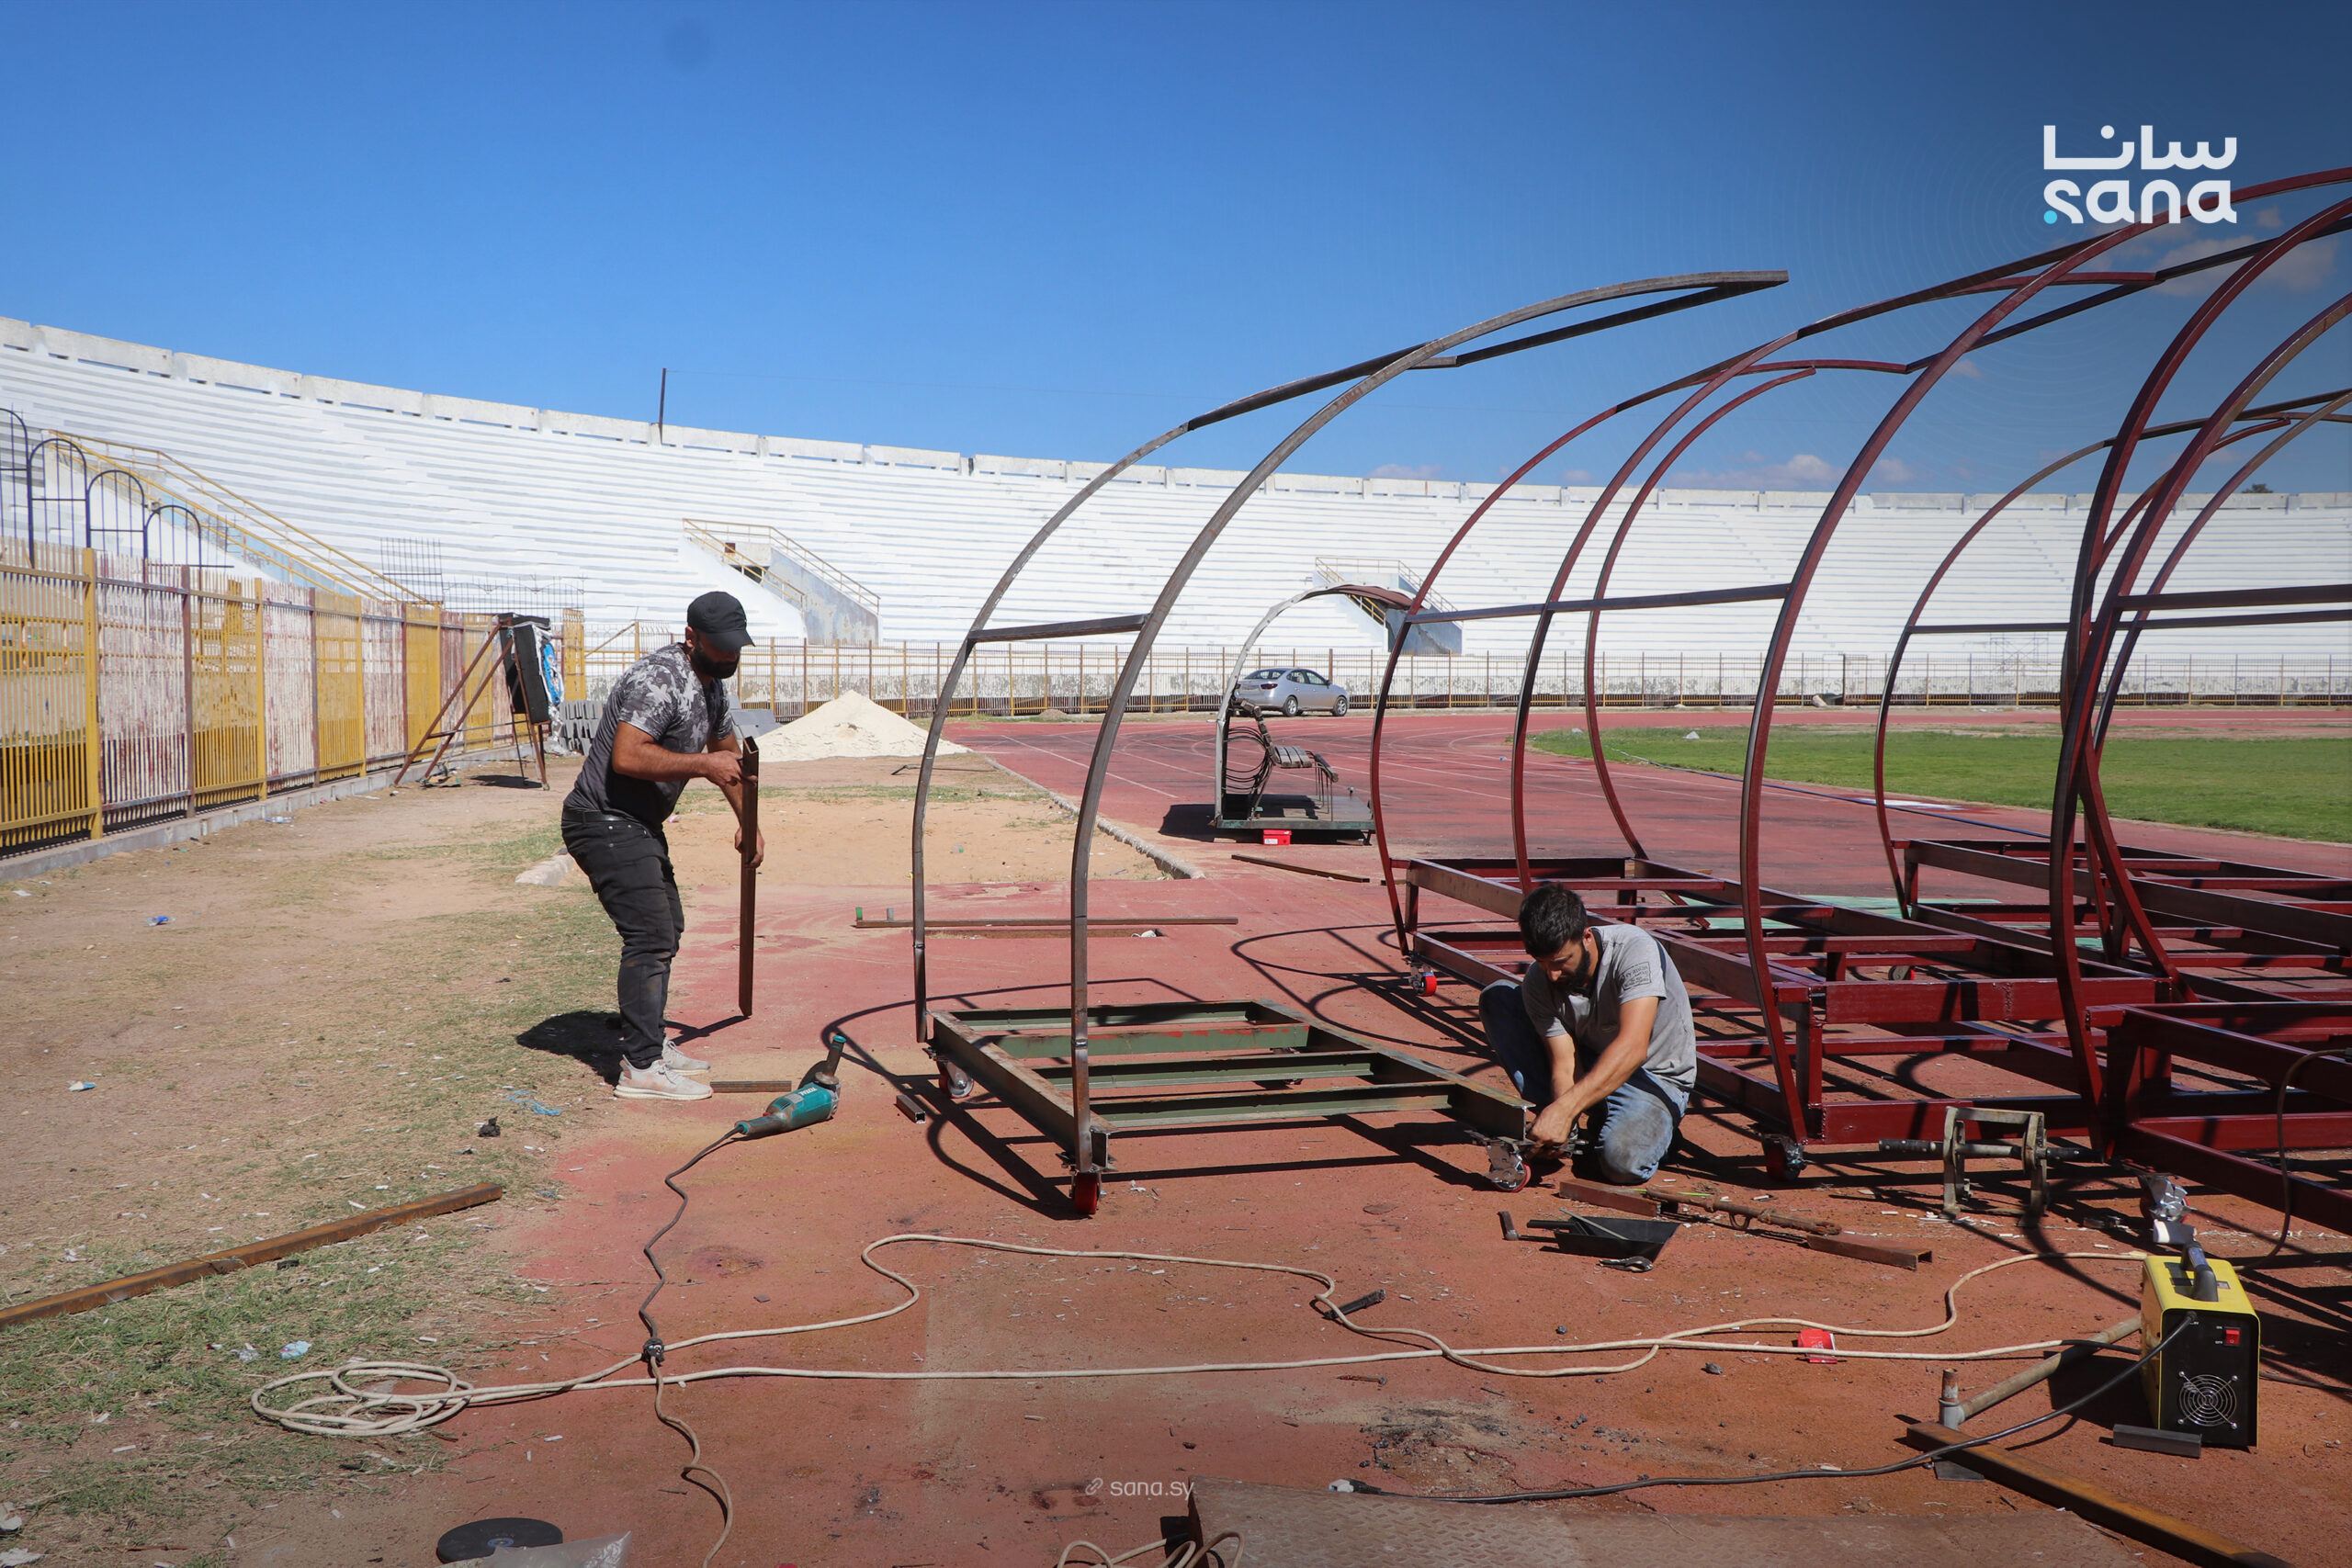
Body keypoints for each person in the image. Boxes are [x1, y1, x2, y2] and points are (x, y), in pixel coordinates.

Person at [561, 592, 766, 1102]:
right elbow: (628, 757)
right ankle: (641, 1068)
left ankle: (649, 1043)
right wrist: (701, 765)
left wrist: (750, 823)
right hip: (603, 819)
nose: (730, 655)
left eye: (736, 646)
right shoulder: (658, 679)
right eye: (720, 646)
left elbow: (728, 755)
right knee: (650, 935)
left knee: (666, 927)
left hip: (637, 823)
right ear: (692, 636)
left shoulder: (712, 686)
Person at [1479, 883, 1694, 1183]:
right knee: (1499, 998)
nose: (1551, 973)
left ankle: (1656, 1131)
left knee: (1622, 1164)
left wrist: (1565, 1109)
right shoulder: (1540, 980)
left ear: (1587, 936)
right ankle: (1565, 1128)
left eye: (1560, 961)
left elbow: (1633, 1047)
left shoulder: (1634, 951)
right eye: (1541, 962)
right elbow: (1564, 1063)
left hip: (1651, 1076)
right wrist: (1562, 1116)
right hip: (1593, 1062)